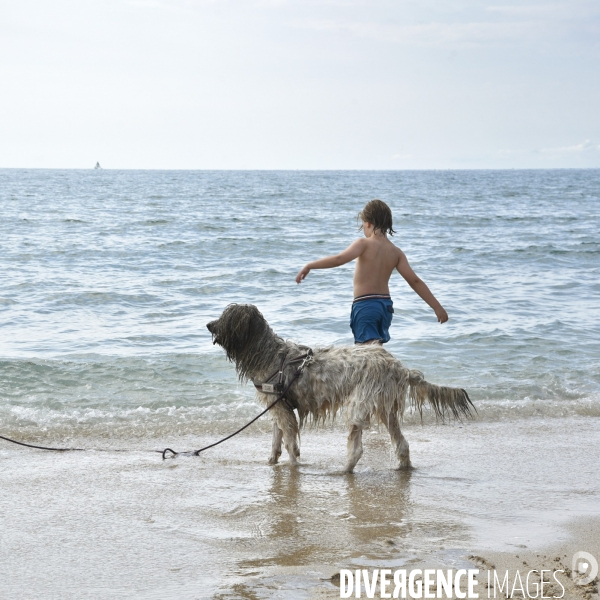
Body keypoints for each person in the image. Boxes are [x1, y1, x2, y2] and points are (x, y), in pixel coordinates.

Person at [295, 199, 448, 345]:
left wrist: (310, 265)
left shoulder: (363, 244)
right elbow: (415, 281)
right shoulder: (396, 252)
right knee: (375, 351)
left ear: (368, 223)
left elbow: (338, 259)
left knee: (366, 355)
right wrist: (437, 307)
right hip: (385, 308)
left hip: (366, 305)